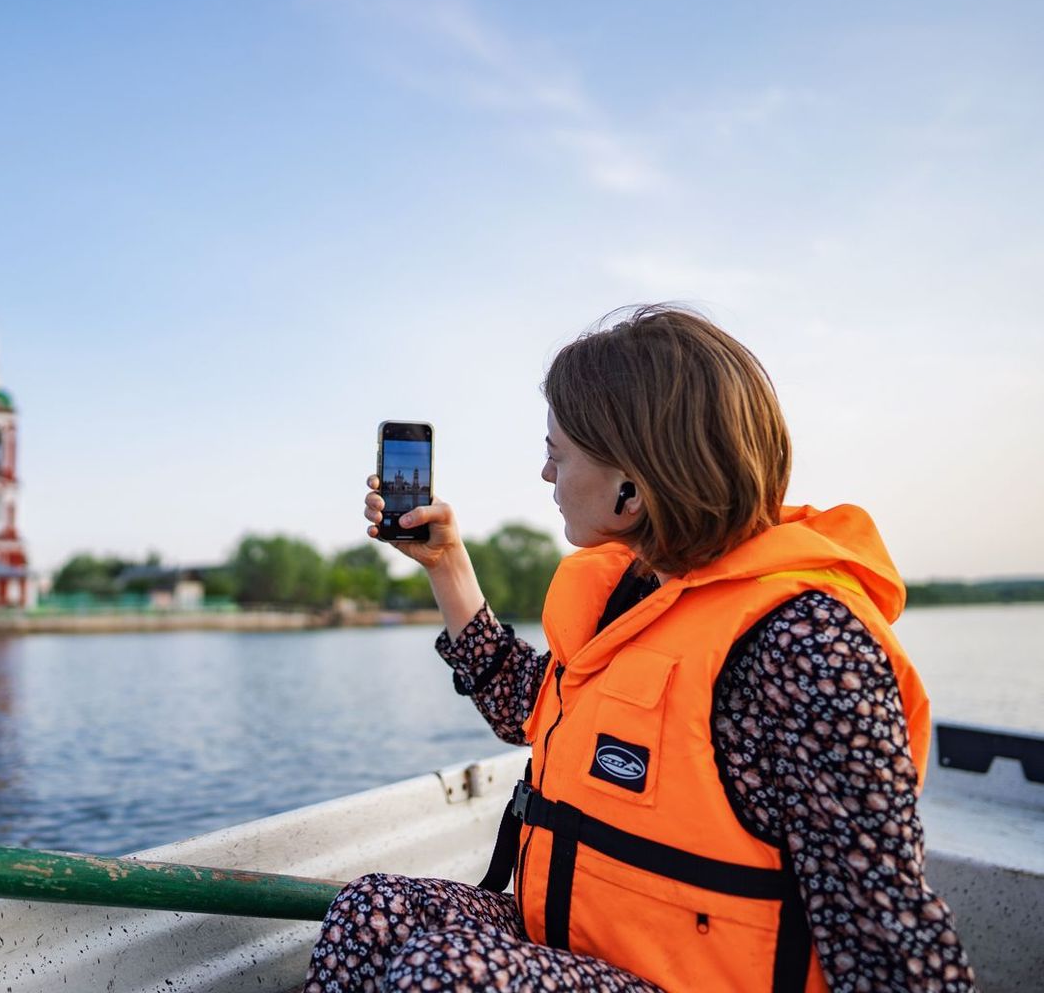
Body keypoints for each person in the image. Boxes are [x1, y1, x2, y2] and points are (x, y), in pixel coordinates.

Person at [304, 306, 974, 993]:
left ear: (630, 488)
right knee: (370, 912)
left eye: (558, 454)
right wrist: (446, 565)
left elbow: (890, 939)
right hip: (583, 946)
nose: (545, 473)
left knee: (443, 976)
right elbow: (527, 709)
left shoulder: (808, 644)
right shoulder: (639, 589)